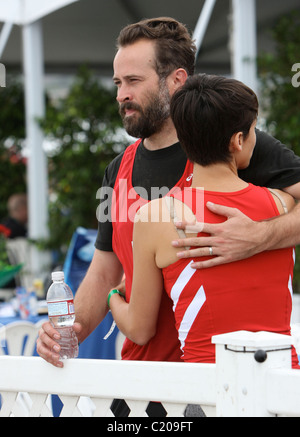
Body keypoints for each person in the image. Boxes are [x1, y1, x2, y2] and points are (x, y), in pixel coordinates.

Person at [36, 17, 300, 368]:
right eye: (117, 82)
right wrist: (66, 334)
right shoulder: (117, 170)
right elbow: (103, 272)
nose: (121, 94)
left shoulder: (233, 141)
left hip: (212, 379)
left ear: (177, 80)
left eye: (133, 81)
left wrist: (261, 235)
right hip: (143, 379)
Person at [108, 73, 299, 368]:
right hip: (284, 385)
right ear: (238, 140)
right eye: (254, 131)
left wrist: (113, 295)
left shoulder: (157, 217)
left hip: (208, 391)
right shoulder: (282, 203)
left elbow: (140, 330)